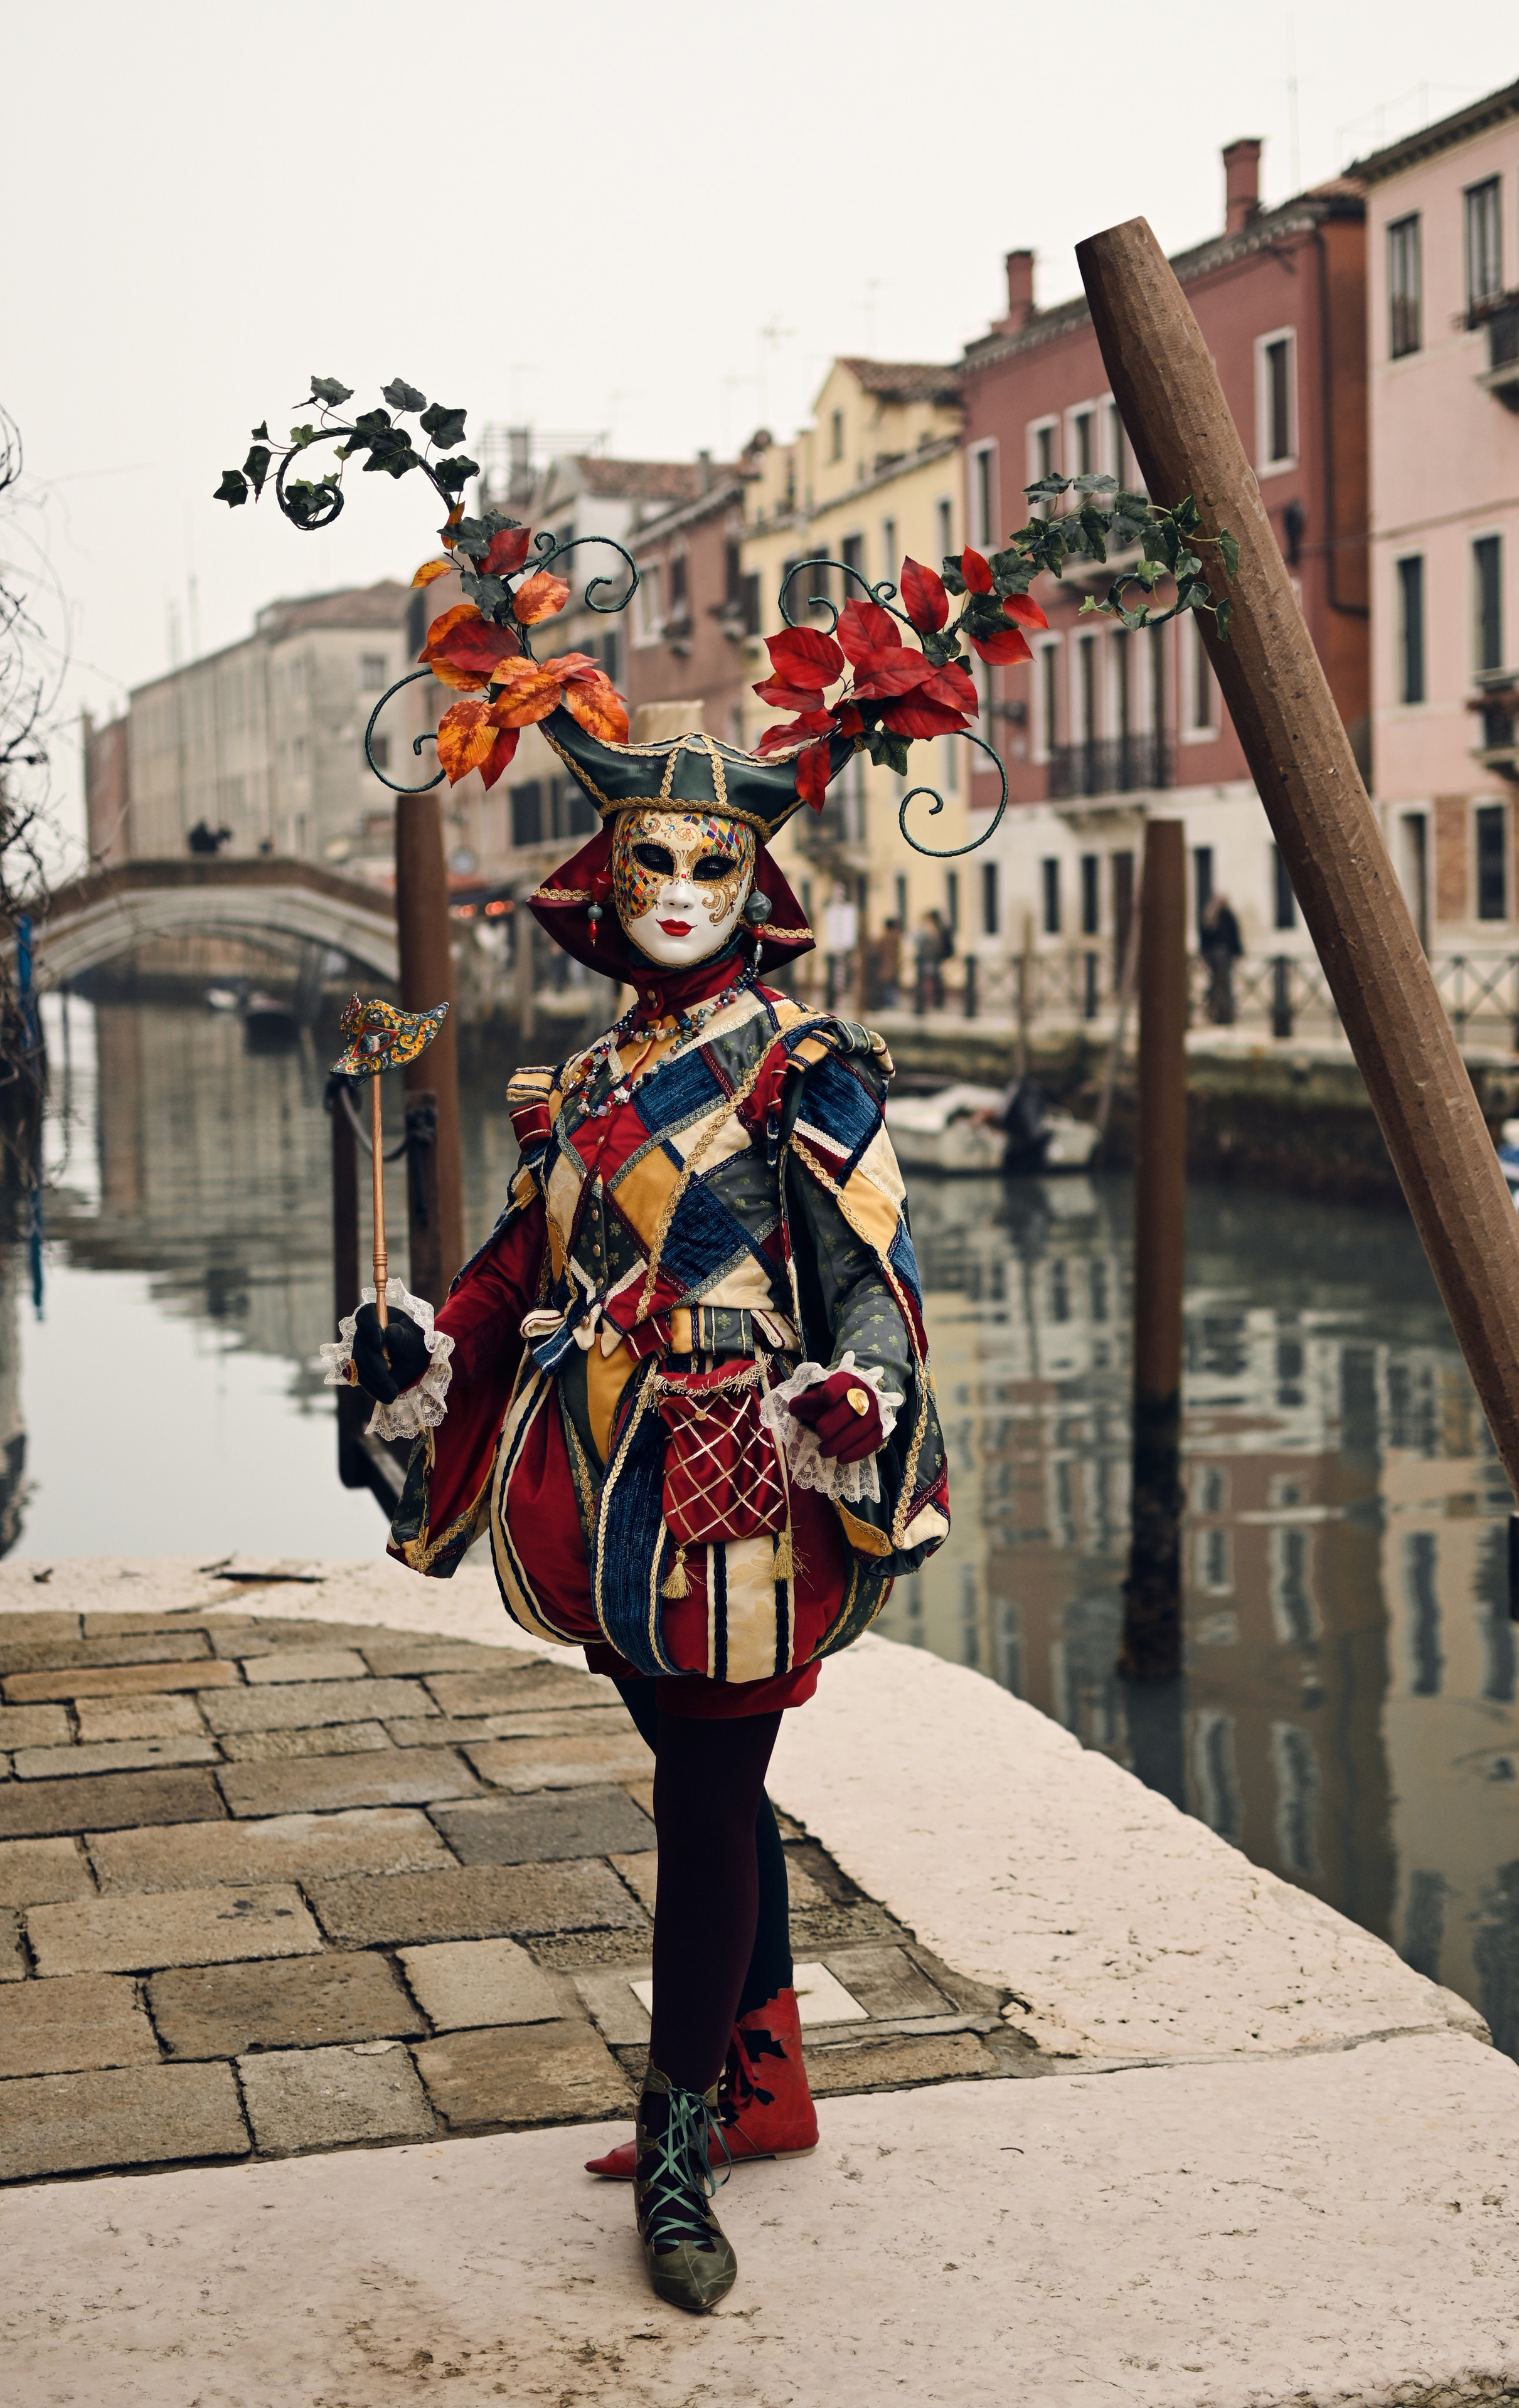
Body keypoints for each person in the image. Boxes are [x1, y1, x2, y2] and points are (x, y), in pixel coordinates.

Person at [324, 709, 949, 2318]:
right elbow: (517, 1271)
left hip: (741, 1475)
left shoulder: (802, 1066)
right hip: (598, 1480)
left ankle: (677, 2133)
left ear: (756, 883)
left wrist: (859, 1398)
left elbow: (870, 1279)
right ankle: (765, 2079)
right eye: (651, 860)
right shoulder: (582, 1080)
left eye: (711, 862)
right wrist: (426, 1336)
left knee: (708, 1784)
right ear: (604, 879)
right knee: (698, 1769)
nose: (676, 886)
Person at [1200, 890, 1242, 1026]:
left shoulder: (1219, 915)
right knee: (1222, 984)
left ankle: (1219, 1013)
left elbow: (1233, 934)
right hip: (1220, 955)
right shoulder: (1214, 916)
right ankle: (1222, 1014)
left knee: (1219, 984)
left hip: (1218, 955)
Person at [823, 880, 858, 1010]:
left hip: (843, 949)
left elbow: (848, 929)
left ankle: (840, 1000)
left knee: (842, 976)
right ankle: (834, 1001)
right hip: (833, 950)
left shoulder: (848, 912)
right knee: (834, 977)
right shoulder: (831, 910)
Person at [873, 916, 903, 1012]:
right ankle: (892, 1003)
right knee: (891, 985)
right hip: (893, 964)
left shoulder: (883, 937)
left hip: (885, 964)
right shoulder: (895, 937)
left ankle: (890, 1004)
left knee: (887, 985)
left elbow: (877, 951)